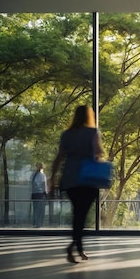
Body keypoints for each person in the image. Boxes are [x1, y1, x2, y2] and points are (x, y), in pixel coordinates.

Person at [49, 105, 104, 264]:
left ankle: (77, 247)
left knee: (77, 214)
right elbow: (99, 152)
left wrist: (53, 179)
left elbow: (59, 157)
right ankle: (75, 247)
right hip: (87, 178)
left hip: (70, 178)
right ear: (89, 116)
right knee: (81, 215)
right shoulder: (93, 133)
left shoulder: (66, 134)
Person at [31, 162, 48, 228]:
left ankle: (36, 223)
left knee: (35, 209)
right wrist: (45, 193)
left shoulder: (33, 175)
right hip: (40, 194)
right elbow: (43, 184)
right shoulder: (42, 175)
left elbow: (33, 184)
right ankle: (39, 223)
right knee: (40, 209)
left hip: (34, 193)